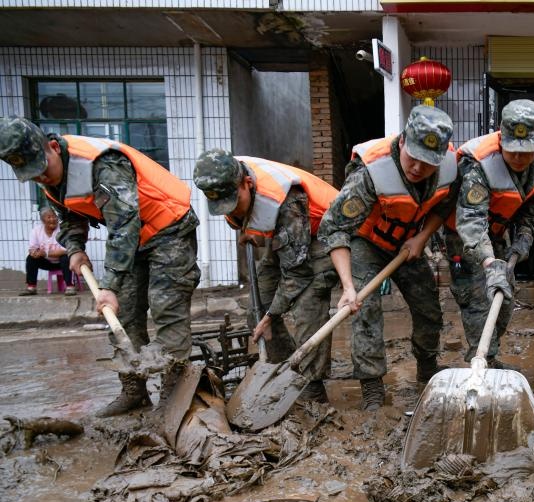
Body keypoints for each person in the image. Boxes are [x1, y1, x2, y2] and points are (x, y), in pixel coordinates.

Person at [0, 117, 199, 417]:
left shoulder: (103, 165)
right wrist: (76, 249)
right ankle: (134, 391)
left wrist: (109, 286)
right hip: (135, 237)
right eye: (33, 175)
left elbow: (124, 225)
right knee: (123, 313)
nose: (41, 178)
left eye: (42, 169)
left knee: (166, 308)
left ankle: (175, 395)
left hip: (169, 227)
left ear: (52, 147)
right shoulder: (51, 177)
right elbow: (68, 216)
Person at [318, 106, 459, 411]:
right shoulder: (371, 172)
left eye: (428, 163)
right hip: (367, 242)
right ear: (403, 141)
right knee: (364, 311)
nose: (419, 169)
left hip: (407, 243)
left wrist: (422, 238)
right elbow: (333, 229)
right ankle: (371, 387)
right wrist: (347, 287)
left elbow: (444, 207)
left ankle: (426, 367)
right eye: (414, 158)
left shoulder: (448, 167)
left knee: (428, 308)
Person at [193, 150, 340, 403]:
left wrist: (273, 315)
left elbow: (298, 273)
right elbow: (250, 215)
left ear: (246, 184)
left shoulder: (285, 200)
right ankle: (286, 371)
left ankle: (312, 388)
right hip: (288, 237)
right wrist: (251, 229)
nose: (233, 208)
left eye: (235, 200)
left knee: (308, 304)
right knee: (256, 309)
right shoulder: (225, 173)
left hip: (326, 235)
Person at [446, 99, 534, 370]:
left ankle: (489, 354)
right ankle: (481, 359)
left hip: (496, 234)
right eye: (511, 150)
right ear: (500, 138)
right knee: (475, 296)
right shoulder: (478, 166)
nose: (517, 158)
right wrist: (489, 263)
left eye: (525, 152)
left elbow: (532, 210)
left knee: (503, 297)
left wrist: (525, 236)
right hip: (463, 239)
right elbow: (470, 222)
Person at [23, 207, 75, 296]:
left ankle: (70, 287)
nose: (53, 219)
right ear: (43, 220)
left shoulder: (63, 230)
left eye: (54, 216)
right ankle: (31, 287)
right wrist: (33, 252)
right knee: (30, 258)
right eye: (49, 217)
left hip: (62, 263)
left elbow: (66, 250)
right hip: (47, 262)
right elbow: (32, 247)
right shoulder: (36, 231)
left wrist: (45, 253)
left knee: (65, 257)